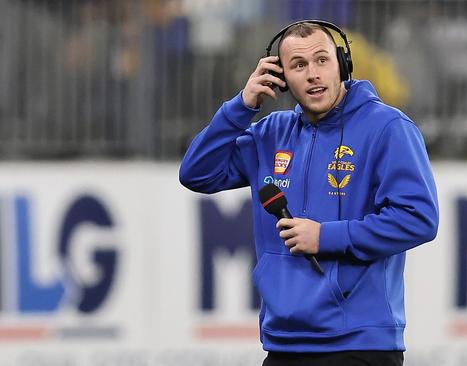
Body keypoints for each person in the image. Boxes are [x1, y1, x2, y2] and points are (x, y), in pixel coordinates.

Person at [179, 20, 439, 366]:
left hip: (358, 344)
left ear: (342, 65)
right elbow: (197, 173)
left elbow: (419, 219)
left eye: (322, 60)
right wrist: (241, 106)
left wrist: (326, 237)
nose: (313, 74)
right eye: (299, 65)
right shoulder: (269, 133)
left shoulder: (388, 128)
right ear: (282, 78)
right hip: (284, 342)